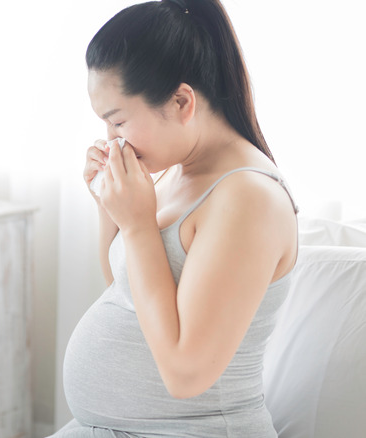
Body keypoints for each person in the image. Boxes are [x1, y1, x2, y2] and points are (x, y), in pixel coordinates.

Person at [52, 0, 299, 437]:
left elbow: (187, 375)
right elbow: (126, 290)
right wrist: (110, 209)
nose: (111, 139)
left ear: (182, 101)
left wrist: (137, 224)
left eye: (118, 121)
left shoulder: (249, 198)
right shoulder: (177, 170)